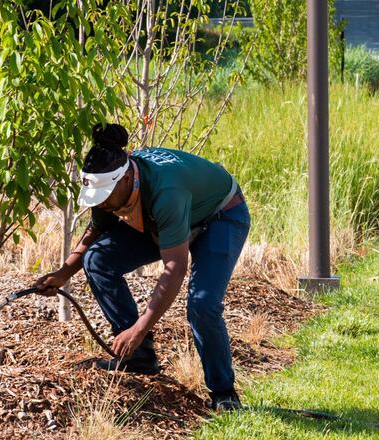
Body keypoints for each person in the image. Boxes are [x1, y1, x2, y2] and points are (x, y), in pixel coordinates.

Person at [35, 122, 250, 411]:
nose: (103, 205)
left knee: (202, 304)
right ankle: (139, 358)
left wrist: (139, 328)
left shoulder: (166, 192)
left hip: (218, 217)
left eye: (105, 198)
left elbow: (175, 268)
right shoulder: (109, 187)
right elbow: (95, 231)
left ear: (126, 180)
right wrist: (64, 273)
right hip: (165, 222)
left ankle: (224, 394)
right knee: (97, 259)